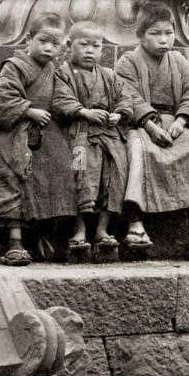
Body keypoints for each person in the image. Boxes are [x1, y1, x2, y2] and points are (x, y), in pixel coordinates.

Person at [0, 12, 77, 266]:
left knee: (63, 165)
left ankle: (45, 234)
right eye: (43, 41)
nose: (49, 48)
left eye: (55, 44)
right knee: (18, 169)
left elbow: (61, 99)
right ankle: (15, 240)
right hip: (15, 133)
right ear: (29, 38)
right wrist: (27, 110)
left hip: (46, 134)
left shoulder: (53, 70)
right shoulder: (15, 66)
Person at [115, 2, 189, 259]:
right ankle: (135, 221)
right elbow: (127, 96)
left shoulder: (179, 61)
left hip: (175, 123)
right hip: (140, 125)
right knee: (137, 150)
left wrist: (181, 122)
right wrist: (149, 125)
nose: (163, 40)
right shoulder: (127, 62)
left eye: (168, 33)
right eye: (155, 33)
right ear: (140, 35)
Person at [52, 22, 147, 263]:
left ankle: (103, 229)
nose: (90, 51)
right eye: (84, 45)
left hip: (110, 137)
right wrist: (84, 112)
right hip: (79, 136)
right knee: (80, 175)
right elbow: (60, 101)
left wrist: (119, 114)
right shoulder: (63, 73)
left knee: (113, 178)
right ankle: (79, 228)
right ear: (69, 46)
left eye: (96, 46)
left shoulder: (108, 75)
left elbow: (125, 98)